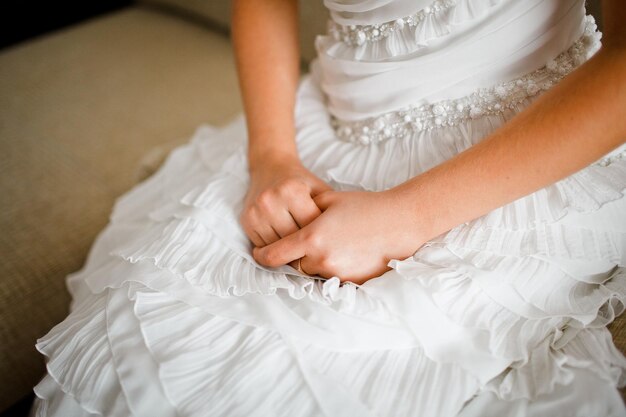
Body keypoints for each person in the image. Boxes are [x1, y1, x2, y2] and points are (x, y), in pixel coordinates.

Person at [30, 0, 626, 416]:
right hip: (315, 135)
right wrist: (270, 157)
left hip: (517, 160)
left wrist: (405, 216)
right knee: (138, 352)